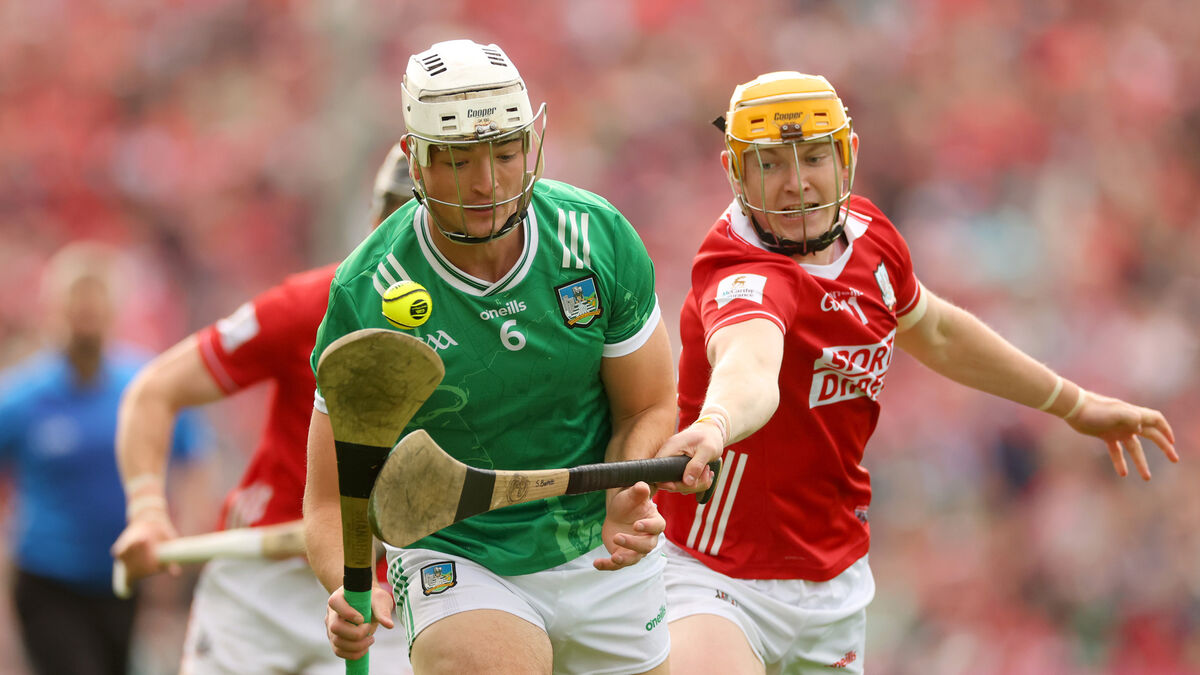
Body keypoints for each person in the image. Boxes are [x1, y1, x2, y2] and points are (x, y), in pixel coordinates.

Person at [652, 71, 1179, 675]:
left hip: (835, 582)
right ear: (736, 173)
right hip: (716, 575)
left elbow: (938, 332)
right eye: (770, 164)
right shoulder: (741, 272)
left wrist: (1074, 404)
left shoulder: (871, 239)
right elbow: (751, 365)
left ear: (847, 156)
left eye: (815, 157)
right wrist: (716, 423)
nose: (797, 182)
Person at [306, 39, 680, 675]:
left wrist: (626, 490)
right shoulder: (368, 290)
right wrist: (348, 584)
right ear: (415, 160)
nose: (486, 183)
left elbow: (646, 405)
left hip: (598, 542)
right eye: (458, 161)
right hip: (456, 552)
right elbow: (326, 498)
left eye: (505, 154)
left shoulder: (596, 239)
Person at [110, 146, 417, 675]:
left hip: (391, 592)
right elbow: (156, 390)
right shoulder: (311, 304)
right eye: (394, 220)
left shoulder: (497, 326)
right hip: (261, 584)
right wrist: (147, 510)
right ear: (372, 224)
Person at [0, 241, 210, 675]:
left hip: (126, 578)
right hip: (49, 579)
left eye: (94, 305)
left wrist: (181, 550)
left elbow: (192, 460)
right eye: (76, 305)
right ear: (54, 310)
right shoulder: (23, 398)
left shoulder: (143, 389)